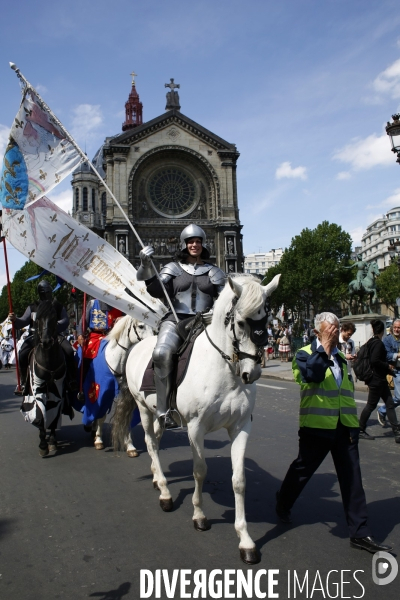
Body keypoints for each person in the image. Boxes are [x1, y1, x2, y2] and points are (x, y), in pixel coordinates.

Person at [275, 312, 393, 554]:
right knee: (302, 470)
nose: (335, 332)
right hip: (316, 428)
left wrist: (353, 426)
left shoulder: (340, 356)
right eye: (330, 329)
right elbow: (314, 375)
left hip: (345, 428)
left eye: (336, 329)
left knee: (353, 481)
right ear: (318, 332)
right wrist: (325, 347)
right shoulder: (304, 354)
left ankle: (360, 533)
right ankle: (283, 502)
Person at [137, 224, 226, 428]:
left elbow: (223, 298)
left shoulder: (215, 271)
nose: (195, 245)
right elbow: (157, 290)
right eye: (191, 242)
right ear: (184, 245)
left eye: (198, 242)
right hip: (176, 320)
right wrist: (146, 265)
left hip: (205, 321)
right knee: (161, 352)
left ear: (204, 245)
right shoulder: (173, 268)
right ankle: (163, 410)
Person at [8, 280, 76, 395]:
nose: (46, 295)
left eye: (48, 292)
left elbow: (65, 321)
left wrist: (53, 327)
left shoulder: (57, 305)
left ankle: (71, 380)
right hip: (35, 336)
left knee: (69, 351)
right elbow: (23, 321)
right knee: (22, 354)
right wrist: (15, 320)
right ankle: (24, 382)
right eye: (43, 293)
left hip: (54, 335)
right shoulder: (33, 307)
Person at [358, 320, 400, 442]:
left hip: (379, 380)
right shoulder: (378, 344)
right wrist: (387, 366)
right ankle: (360, 429)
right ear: (383, 330)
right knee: (371, 405)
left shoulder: (371, 342)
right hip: (376, 380)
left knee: (390, 404)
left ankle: (396, 431)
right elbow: (374, 361)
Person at [377, 319, 400, 427]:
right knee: (399, 397)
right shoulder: (387, 340)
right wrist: (397, 355)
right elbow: (386, 355)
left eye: (399, 328)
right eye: (395, 327)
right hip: (395, 370)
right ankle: (382, 410)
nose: (397, 329)